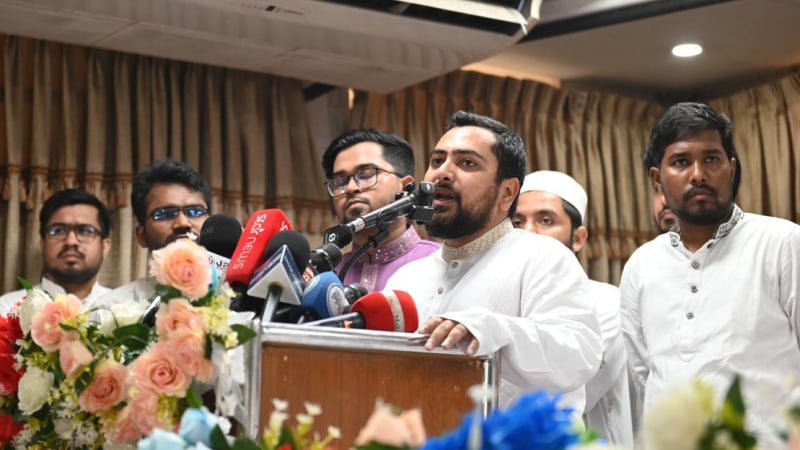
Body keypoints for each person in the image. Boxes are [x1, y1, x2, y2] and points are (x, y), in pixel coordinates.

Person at [385, 111, 602, 410]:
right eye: (437, 161)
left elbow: (579, 355)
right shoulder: (406, 278)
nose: (442, 173)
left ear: (507, 192)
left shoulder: (544, 258)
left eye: (467, 163)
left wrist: (492, 331)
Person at [620, 102, 800, 448]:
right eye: (681, 162)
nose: (698, 174)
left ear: (731, 169)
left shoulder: (781, 243)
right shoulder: (641, 264)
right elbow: (644, 372)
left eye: (712, 159)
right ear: (658, 179)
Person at [513, 170, 633, 446]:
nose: (528, 233)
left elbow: (566, 397)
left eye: (545, 221)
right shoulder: (506, 295)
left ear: (578, 238)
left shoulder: (606, 302)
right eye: (517, 222)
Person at [321, 129, 440, 292]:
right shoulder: (325, 278)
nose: (350, 188)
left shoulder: (440, 264)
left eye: (366, 174)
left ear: (405, 187)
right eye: (340, 182)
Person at [88, 159, 212, 307]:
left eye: (195, 212)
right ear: (142, 236)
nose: (183, 223)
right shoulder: (112, 309)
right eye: (165, 214)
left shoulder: (234, 297)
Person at [0, 189, 112, 314]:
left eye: (85, 231)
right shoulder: (8, 310)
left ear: (105, 246)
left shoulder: (121, 309)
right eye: (58, 231)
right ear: (42, 244)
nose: (71, 241)